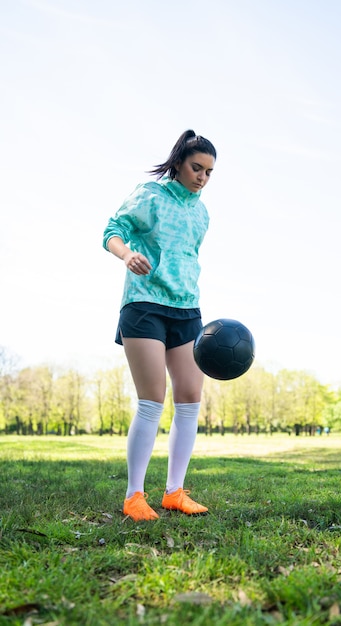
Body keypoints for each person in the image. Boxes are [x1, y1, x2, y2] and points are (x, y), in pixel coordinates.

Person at [103, 130, 216, 521]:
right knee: (152, 399)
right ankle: (134, 495)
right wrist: (127, 254)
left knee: (189, 398)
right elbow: (111, 231)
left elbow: (187, 259)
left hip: (187, 308)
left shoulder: (202, 213)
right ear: (179, 163)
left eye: (209, 172)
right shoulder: (150, 195)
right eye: (196, 167)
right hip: (145, 304)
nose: (202, 177)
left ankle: (174, 492)